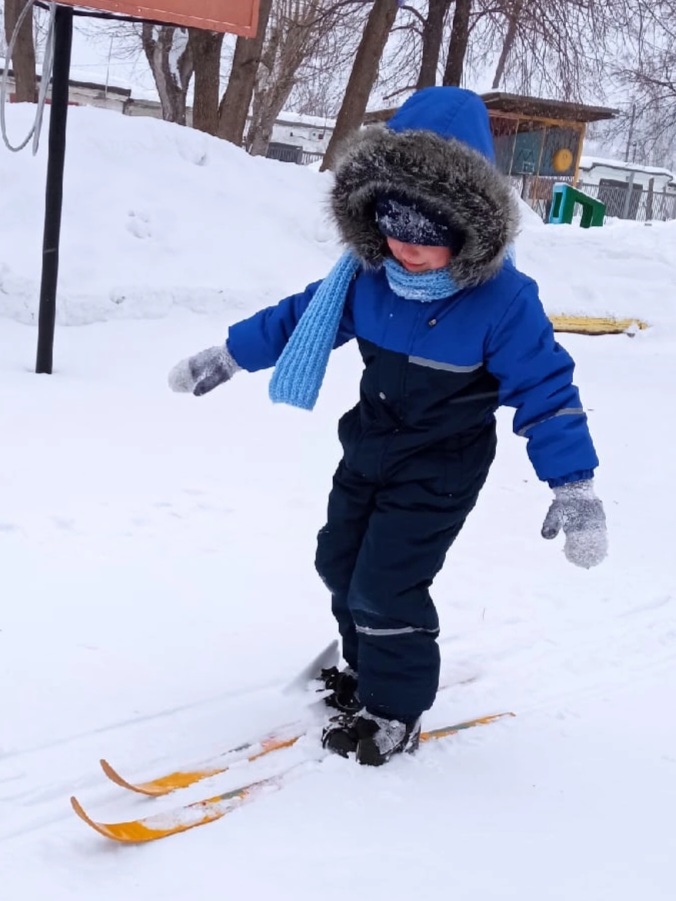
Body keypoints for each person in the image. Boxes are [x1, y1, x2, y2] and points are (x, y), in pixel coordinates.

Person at [168, 86, 608, 767]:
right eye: (393, 223)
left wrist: (574, 484)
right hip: (368, 447)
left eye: (428, 231)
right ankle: (365, 670)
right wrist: (230, 354)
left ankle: (395, 710)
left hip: (441, 466)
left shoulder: (502, 302)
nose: (407, 246)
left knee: (386, 586)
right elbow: (295, 319)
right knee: (338, 563)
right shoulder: (367, 279)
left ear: (470, 225)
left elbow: (547, 390)